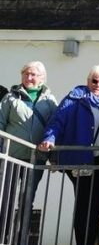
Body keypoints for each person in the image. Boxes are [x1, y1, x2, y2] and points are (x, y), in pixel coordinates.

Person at [39, 65, 99, 245]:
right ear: (87, 80)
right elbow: (57, 121)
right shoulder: (75, 98)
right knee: (85, 206)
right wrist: (49, 139)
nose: (98, 85)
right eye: (94, 81)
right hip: (83, 160)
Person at [0, 61, 57, 244]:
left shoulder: (49, 101)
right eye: (26, 74)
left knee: (26, 201)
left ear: (42, 78)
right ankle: (3, 237)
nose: (29, 78)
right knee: (5, 199)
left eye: (33, 75)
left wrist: (53, 157)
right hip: (11, 157)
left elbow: (54, 129)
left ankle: (21, 239)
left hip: (35, 159)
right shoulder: (10, 98)